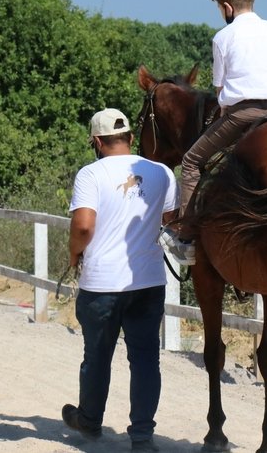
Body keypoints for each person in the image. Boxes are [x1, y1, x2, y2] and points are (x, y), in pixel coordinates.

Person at [160, 0, 267, 266]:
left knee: (190, 161)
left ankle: (186, 238)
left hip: (243, 113)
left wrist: (225, 113)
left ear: (227, 7)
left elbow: (221, 92)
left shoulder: (223, 38)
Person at [62, 108, 178, 452]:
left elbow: (83, 225)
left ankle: (90, 421)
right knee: (145, 359)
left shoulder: (90, 174)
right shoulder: (161, 172)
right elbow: (171, 220)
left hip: (102, 283)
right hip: (148, 280)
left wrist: (73, 253)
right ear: (129, 137)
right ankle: (141, 436)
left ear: (97, 142)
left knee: (97, 355)